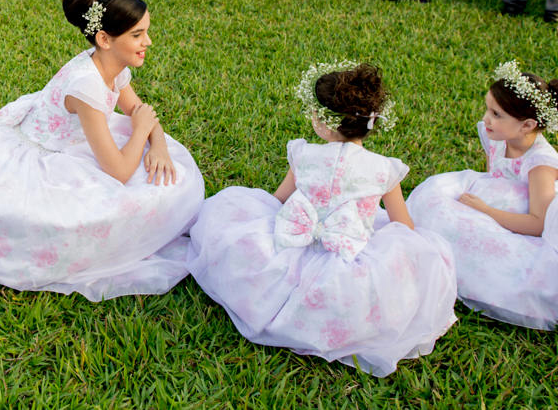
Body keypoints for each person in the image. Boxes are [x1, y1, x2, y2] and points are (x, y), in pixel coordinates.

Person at [0, 0, 205, 300]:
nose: (148, 42)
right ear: (104, 38)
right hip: (40, 160)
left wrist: (160, 145)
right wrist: (140, 131)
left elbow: (138, 108)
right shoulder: (87, 85)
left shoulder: (112, 64)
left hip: (78, 142)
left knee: (172, 176)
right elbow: (119, 170)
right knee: (113, 207)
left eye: (146, 31)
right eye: (137, 35)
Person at [187, 62, 457, 376]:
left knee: (236, 226)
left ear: (324, 123)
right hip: (349, 257)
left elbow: (277, 201)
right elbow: (403, 227)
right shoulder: (385, 169)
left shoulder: (304, 155)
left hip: (291, 245)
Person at [407, 61, 558, 328]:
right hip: (513, 206)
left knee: (507, 265)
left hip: (549, 224)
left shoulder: (541, 165)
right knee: (436, 204)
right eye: (488, 109)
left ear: (527, 125)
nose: (486, 119)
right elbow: (493, 181)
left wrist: (486, 211)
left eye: (496, 114)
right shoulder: (498, 138)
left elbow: (539, 223)